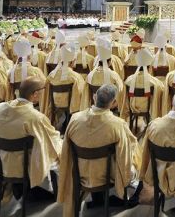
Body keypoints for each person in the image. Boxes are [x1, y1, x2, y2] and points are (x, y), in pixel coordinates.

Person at [57, 84, 142, 216]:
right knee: (135, 154)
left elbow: (66, 148)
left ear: (94, 97)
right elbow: (126, 152)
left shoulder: (75, 119)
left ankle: (97, 198)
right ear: (114, 103)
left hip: (81, 171)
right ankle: (127, 196)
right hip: (106, 174)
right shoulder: (118, 124)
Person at [0, 77, 63, 211]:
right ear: (35, 95)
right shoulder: (35, 117)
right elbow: (52, 141)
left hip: (1, 162)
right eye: (42, 91)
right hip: (24, 166)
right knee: (58, 150)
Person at [41, 42, 88, 126]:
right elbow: (81, 94)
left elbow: (46, 92)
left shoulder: (51, 75)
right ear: (72, 62)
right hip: (70, 104)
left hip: (54, 102)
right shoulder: (75, 77)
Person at [121, 48, 166, 127]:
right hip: (148, 109)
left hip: (132, 107)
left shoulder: (129, 80)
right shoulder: (154, 82)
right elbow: (162, 90)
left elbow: (124, 97)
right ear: (149, 67)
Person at [85, 37, 126, 109]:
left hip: (96, 103)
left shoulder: (90, 75)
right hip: (112, 104)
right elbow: (121, 89)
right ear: (110, 62)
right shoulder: (114, 75)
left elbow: (86, 94)